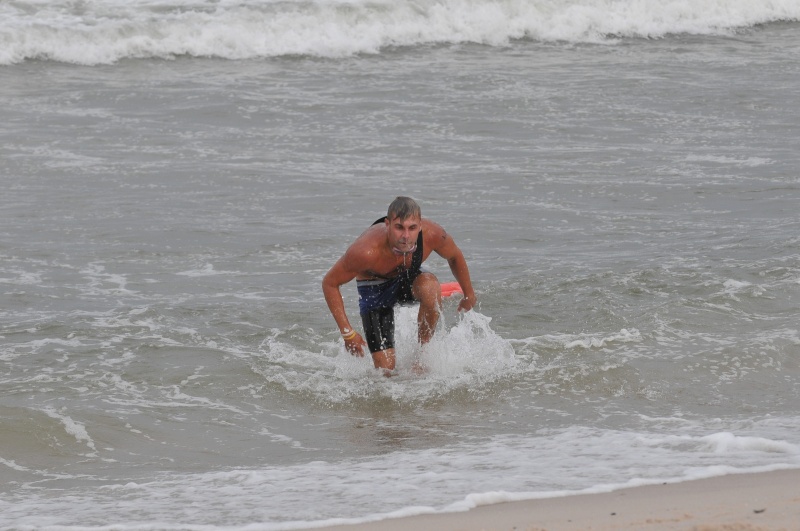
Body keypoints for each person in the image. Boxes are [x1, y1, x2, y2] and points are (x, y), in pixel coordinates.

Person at [322, 196, 476, 373]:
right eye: (399, 227)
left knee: (430, 287)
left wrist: (468, 294)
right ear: (387, 224)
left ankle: (422, 356)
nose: (406, 236)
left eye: (412, 228)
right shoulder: (365, 251)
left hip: (407, 277)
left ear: (420, 225)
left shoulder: (432, 234)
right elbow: (329, 283)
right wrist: (348, 334)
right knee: (385, 372)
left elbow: (454, 256)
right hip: (375, 288)